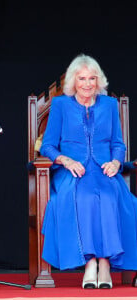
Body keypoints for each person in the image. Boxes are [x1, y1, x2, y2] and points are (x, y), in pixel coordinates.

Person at [40, 54, 137, 289]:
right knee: (83, 198)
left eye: (92, 78)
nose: (87, 84)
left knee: (112, 198)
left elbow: (118, 143)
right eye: (82, 78)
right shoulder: (61, 105)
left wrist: (115, 162)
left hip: (104, 170)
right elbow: (48, 145)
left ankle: (105, 263)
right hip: (73, 171)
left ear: (98, 81)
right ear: (74, 81)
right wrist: (65, 160)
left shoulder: (110, 105)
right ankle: (90, 263)